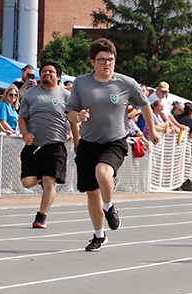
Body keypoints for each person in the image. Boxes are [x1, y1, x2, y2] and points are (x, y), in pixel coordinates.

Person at [65, 38, 160, 252]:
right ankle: (99, 235)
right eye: (101, 60)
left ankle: (109, 206)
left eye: (110, 60)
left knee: (103, 171)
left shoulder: (126, 83)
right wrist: (78, 116)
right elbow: (70, 112)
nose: (106, 64)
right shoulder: (81, 83)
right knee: (91, 193)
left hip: (114, 141)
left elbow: (145, 105)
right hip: (89, 142)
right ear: (93, 62)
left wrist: (152, 130)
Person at [18, 61, 71, 229]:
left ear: (58, 76)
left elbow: (73, 119)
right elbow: (22, 119)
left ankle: (41, 217)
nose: (47, 74)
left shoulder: (66, 95)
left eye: (51, 72)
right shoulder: (30, 94)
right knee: (27, 182)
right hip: (34, 145)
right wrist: (25, 134)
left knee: (49, 182)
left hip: (55, 145)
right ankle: (42, 176)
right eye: (44, 72)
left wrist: (76, 137)